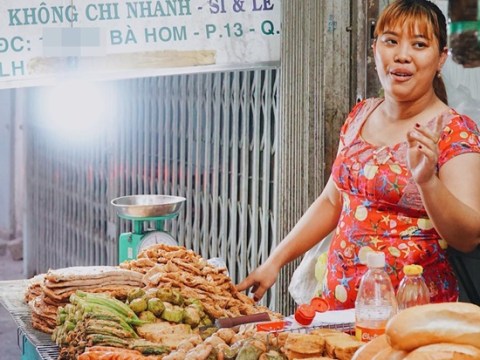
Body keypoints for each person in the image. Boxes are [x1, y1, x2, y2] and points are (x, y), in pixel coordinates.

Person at [236, 0, 480, 310]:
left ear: (441, 58)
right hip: (337, 313)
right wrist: (274, 262)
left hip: (409, 319)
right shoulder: (361, 115)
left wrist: (427, 181)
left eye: (419, 44)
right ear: (375, 49)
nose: (402, 55)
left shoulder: (454, 131)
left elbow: (468, 237)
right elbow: (331, 201)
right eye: (391, 41)